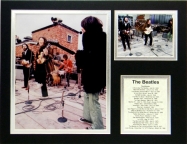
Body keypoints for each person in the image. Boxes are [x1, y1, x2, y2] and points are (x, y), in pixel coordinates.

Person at [78, 16, 106, 129]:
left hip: (93, 74)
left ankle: (98, 126)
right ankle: (87, 117)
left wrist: (78, 55)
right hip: (96, 73)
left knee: (93, 99)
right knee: (87, 95)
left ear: (87, 26)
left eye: (83, 26)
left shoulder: (88, 36)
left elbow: (89, 56)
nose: (82, 29)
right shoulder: (102, 36)